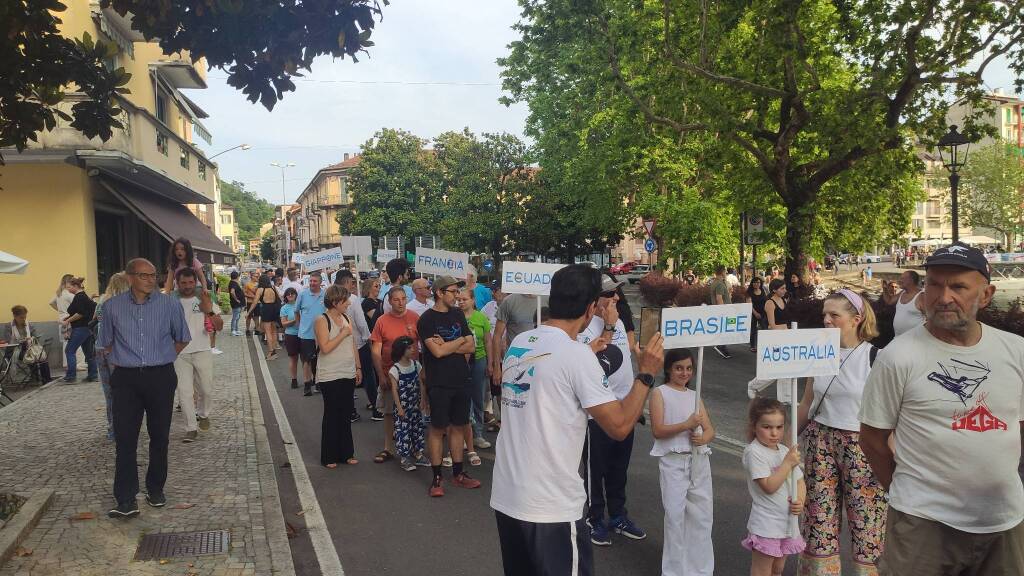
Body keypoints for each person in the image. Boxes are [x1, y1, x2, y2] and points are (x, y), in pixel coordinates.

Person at [859, 243, 1024, 575]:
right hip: (923, 526)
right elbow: (872, 439)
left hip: (1003, 523)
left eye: (958, 286)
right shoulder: (897, 357)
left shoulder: (1016, 351)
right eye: (933, 284)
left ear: (987, 294)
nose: (943, 296)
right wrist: (906, 493)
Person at [491, 264, 665, 576]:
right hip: (550, 506)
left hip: (508, 497)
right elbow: (620, 426)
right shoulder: (577, 356)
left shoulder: (522, 342)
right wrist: (647, 373)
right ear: (589, 309)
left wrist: (587, 351)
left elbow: (553, 374)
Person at [796, 289, 886, 575]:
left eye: (834, 315)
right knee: (818, 521)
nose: (826, 320)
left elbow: (890, 414)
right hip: (819, 441)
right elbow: (807, 402)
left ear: (856, 319)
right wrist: (785, 442)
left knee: (866, 524)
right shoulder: (819, 351)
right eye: (825, 314)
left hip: (862, 446)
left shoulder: (876, 358)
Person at [98, 258, 190, 518]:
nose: (151, 280)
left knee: (159, 436)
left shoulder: (169, 305)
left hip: (160, 376)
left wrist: (160, 357)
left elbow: (182, 338)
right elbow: (105, 343)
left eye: (153, 275)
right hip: (125, 379)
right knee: (125, 439)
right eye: (144, 276)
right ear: (129, 278)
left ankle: (155, 488)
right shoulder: (112, 307)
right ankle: (126, 499)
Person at [577, 276, 644, 545]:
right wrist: (607, 324)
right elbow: (592, 364)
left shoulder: (620, 319)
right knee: (596, 469)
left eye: (617, 293)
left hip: (624, 406)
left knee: (619, 468)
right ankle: (595, 518)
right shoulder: (585, 326)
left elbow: (628, 354)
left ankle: (618, 515)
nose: (616, 298)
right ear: (595, 300)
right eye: (609, 294)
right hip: (598, 412)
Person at [651, 348, 715, 576]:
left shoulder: (694, 396)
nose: (684, 372)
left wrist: (702, 438)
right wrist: (686, 424)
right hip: (673, 462)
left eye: (688, 368)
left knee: (702, 517)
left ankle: (700, 569)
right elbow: (658, 430)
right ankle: (674, 570)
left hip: (698, 461)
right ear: (669, 368)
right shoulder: (660, 393)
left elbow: (709, 431)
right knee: (675, 517)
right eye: (679, 368)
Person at [418, 276, 480, 496]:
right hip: (439, 382)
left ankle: (458, 473)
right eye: (453, 291)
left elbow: (472, 346)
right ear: (439, 293)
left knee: (459, 426)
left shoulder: (457, 314)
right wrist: (457, 343)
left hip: (461, 380)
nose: (457, 296)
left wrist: (447, 345)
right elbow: (437, 352)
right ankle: (437, 478)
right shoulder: (426, 319)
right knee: (437, 429)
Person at [742, 398, 807, 576]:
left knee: (777, 569)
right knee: (763, 570)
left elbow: (799, 481)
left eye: (779, 427)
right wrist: (786, 464)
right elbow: (768, 486)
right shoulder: (754, 453)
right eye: (767, 427)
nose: (774, 433)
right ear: (754, 426)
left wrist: (800, 500)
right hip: (766, 524)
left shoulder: (785, 451)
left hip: (786, 522)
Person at [370, 286, 420, 465]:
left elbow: (423, 344)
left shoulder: (415, 318)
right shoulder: (382, 321)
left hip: (412, 375)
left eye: (403, 298)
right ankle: (388, 448)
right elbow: (375, 350)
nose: (400, 302)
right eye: (396, 299)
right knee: (390, 412)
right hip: (390, 375)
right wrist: (381, 376)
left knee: (413, 412)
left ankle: (415, 447)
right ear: (389, 301)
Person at [172, 268, 222, 443]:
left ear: (196, 282)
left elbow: (220, 325)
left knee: (206, 389)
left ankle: (203, 413)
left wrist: (208, 311)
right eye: (183, 283)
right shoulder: (171, 302)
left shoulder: (204, 298)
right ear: (177, 284)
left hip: (202, 350)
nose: (187, 286)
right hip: (179, 353)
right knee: (184, 393)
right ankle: (190, 428)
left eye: (190, 282)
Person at [315, 285, 361, 467]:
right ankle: (329, 455)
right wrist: (342, 333)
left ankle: (346, 453)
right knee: (332, 414)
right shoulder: (322, 320)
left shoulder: (346, 318)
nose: (349, 303)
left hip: (347, 371)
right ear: (335, 302)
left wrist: (358, 367)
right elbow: (325, 348)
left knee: (345, 413)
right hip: (330, 374)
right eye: (345, 300)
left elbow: (353, 345)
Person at [334, 270, 375, 422]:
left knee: (347, 378)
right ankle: (376, 408)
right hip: (358, 343)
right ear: (345, 282)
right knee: (368, 375)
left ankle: (350, 411)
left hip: (340, 345)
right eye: (352, 282)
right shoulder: (353, 299)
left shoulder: (329, 298)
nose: (353, 285)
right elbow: (361, 322)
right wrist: (368, 338)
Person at [94, 274, 130, 439]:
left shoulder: (102, 302)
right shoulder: (126, 304)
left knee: (109, 392)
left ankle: (112, 428)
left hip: (100, 349)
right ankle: (124, 427)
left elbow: (96, 321)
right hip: (118, 350)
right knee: (124, 391)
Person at [459, 285, 493, 452]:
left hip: (478, 359)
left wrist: (490, 363)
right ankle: (466, 435)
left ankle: (478, 433)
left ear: (473, 300)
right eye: (459, 300)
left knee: (478, 397)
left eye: (464, 299)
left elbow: (488, 341)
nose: (461, 302)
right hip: (460, 362)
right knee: (463, 398)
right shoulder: (455, 317)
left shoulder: (481, 318)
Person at [388, 336, 428, 472]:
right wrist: (399, 407)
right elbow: (394, 390)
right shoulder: (395, 369)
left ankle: (418, 453)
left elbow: (422, 384)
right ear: (401, 350)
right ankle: (404, 458)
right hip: (403, 408)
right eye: (409, 348)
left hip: (415, 406)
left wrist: (423, 400)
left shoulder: (416, 365)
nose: (413, 350)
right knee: (403, 432)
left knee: (417, 430)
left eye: (413, 347)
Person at [62, 277, 98, 383]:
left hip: (80, 328)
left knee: (69, 350)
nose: (68, 289)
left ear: (75, 286)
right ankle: (93, 375)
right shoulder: (85, 297)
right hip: (88, 328)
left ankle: (71, 376)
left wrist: (67, 320)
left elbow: (80, 313)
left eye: (69, 287)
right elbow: (91, 308)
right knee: (89, 353)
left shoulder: (79, 297)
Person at [295, 271, 326, 396]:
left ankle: (319, 382)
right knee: (306, 361)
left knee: (321, 360)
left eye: (315, 281)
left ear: (320, 282)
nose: (312, 283)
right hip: (306, 334)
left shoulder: (325, 295)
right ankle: (307, 385)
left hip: (321, 334)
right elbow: (296, 311)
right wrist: (300, 326)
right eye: (311, 281)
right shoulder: (302, 294)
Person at [249, 275, 281, 360]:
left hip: (266, 309)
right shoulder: (273, 287)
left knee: (268, 332)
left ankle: (271, 352)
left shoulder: (260, 289)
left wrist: (249, 312)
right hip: (274, 309)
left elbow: (255, 302)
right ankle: (274, 350)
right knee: (274, 331)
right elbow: (279, 299)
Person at [707, 265, 733, 359]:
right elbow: (719, 298)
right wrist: (723, 311)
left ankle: (721, 346)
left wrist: (729, 293)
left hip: (720, 310)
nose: (726, 273)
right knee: (725, 329)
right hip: (723, 311)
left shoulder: (716, 282)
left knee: (724, 329)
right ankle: (721, 347)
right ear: (722, 272)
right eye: (725, 271)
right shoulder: (719, 284)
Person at [890, 270, 926, 337]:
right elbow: (890, 301)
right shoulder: (902, 292)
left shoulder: (921, 296)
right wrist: (885, 289)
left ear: (911, 280)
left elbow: (930, 319)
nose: (900, 280)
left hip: (915, 341)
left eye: (902, 278)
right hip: (898, 338)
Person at [280, 287, 301, 389]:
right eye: (288, 294)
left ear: (296, 295)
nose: (290, 295)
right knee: (293, 358)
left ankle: (310, 379)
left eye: (292, 293)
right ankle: (294, 379)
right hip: (291, 335)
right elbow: (283, 324)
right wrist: (294, 321)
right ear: (285, 296)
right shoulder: (284, 308)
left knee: (307, 359)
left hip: (303, 334)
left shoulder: (300, 305)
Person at [746, 277, 768, 353]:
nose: (757, 284)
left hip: (763, 313)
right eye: (755, 282)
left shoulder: (763, 290)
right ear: (752, 283)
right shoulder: (749, 292)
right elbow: (749, 304)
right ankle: (752, 346)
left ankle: (765, 345)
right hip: (753, 313)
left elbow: (767, 301)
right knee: (753, 330)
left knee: (765, 329)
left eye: (758, 282)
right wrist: (755, 313)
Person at [228, 271, 245, 336]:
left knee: (237, 317)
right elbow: (232, 292)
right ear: (237, 277)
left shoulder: (233, 283)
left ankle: (236, 329)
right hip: (236, 304)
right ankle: (233, 330)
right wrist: (236, 299)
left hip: (238, 304)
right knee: (235, 317)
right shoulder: (233, 283)